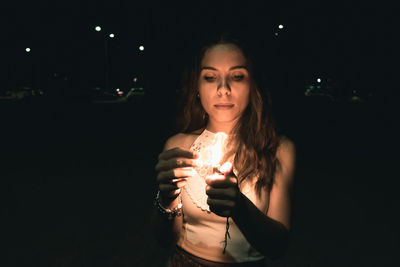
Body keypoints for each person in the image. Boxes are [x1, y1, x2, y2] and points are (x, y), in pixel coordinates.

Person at [151, 33, 296, 266]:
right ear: (196, 86)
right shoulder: (178, 146)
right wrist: (166, 198)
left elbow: (278, 247)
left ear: (253, 85)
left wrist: (239, 207)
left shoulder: (277, 149)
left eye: (237, 76)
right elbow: (164, 239)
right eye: (210, 77)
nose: (223, 89)